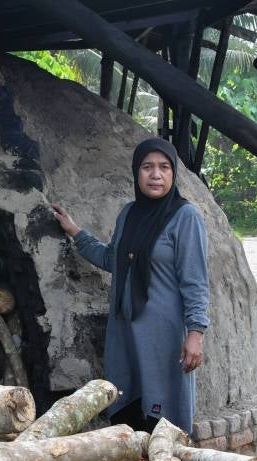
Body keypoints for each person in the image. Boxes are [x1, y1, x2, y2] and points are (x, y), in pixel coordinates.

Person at [52, 137, 209, 434]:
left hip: (161, 337)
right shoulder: (129, 214)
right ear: (137, 172)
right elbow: (114, 260)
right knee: (126, 410)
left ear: (173, 173)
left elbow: (195, 281)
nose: (156, 174)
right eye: (147, 167)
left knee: (162, 419)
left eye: (164, 167)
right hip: (124, 333)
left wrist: (196, 333)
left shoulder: (184, 217)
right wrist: (76, 232)